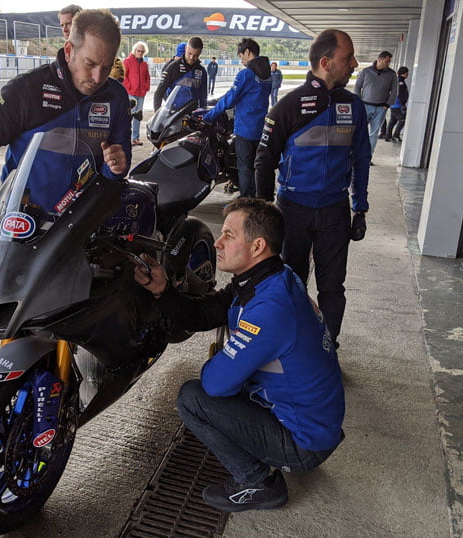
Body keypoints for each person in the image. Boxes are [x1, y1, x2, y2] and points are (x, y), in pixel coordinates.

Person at [133, 197, 345, 512]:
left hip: (305, 441)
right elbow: (206, 313)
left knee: (193, 398)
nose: (218, 242)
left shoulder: (270, 308)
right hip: (316, 423)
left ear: (257, 246)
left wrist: (221, 359)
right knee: (228, 379)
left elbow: (215, 385)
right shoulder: (270, 278)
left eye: (229, 236)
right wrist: (163, 290)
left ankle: (257, 483)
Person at [254, 29, 370, 349]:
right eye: (347, 58)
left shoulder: (354, 106)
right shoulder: (289, 105)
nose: (354, 64)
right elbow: (264, 158)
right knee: (290, 283)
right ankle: (292, 349)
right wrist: (262, 214)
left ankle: (327, 349)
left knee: (333, 287)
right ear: (325, 62)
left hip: (335, 211)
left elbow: (362, 159)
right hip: (292, 209)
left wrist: (360, 208)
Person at [0, 9, 130, 225]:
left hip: (83, 222)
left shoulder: (116, 96)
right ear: (69, 50)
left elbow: (117, 166)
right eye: (89, 64)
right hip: (22, 219)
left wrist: (116, 167)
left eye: (106, 67)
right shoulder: (27, 89)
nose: (98, 77)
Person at [202, 38, 271, 199]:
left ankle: (246, 201)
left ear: (248, 52)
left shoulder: (246, 74)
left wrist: (209, 116)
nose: (241, 60)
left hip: (245, 129)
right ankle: (258, 199)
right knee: (256, 166)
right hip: (260, 128)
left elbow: (229, 100)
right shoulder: (267, 75)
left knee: (244, 167)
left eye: (241, 56)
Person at [354, 50, 398, 158]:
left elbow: (395, 91)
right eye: (386, 61)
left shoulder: (391, 74)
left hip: (380, 108)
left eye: (389, 62)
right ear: (379, 59)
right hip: (365, 106)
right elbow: (357, 87)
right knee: (359, 131)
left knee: (374, 133)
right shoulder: (366, 72)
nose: (388, 64)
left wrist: (387, 105)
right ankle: (356, 154)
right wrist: (359, 102)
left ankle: (367, 156)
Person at [153, 36, 207, 111]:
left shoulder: (202, 71)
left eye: (195, 55)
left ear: (200, 53)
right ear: (186, 49)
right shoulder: (173, 67)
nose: (191, 58)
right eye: (189, 53)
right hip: (174, 113)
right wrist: (157, 113)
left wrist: (203, 110)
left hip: (193, 114)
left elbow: (203, 96)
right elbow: (159, 92)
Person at [123, 41, 151, 146]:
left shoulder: (144, 64)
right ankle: (127, 138)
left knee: (138, 116)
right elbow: (124, 76)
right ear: (134, 50)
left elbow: (147, 77)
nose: (140, 52)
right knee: (129, 116)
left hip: (141, 94)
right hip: (131, 93)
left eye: (142, 51)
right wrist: (130, 86)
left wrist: (146, 87)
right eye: (138, 50)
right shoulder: (127, 61)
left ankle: (135, 138)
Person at [384, 66, 409, 142]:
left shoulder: (397, 80)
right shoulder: (400, 82)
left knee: (393, 120)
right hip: (398, 104)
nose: (408, 74)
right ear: (404, 73)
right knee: (402, 120)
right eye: (407, 73)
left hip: (394, 104)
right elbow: (400, 94)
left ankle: (388, 136)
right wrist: (402, 104)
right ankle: (396, 135)